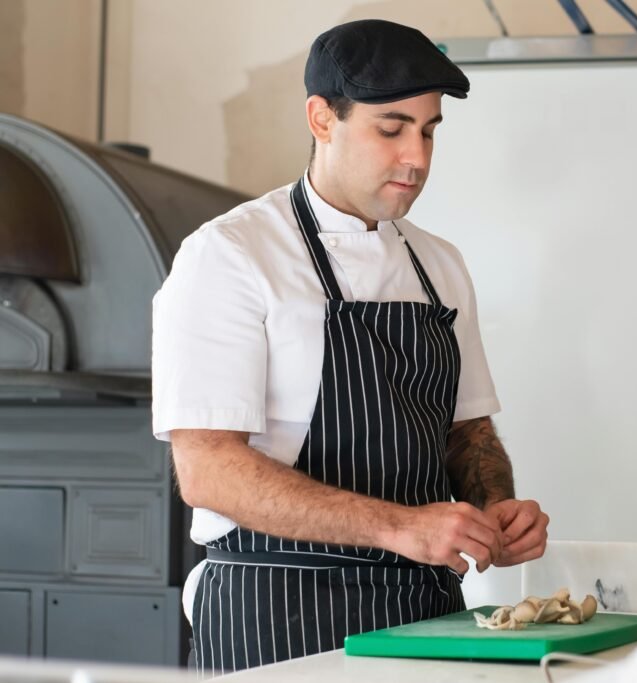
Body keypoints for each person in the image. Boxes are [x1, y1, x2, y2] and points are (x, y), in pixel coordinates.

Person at [151, 19, 549, 675]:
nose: (416, 157)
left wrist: (495, 507)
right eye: (391, 129)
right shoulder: (230, 256)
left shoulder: (439, 265)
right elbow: (208, 470)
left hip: (426, 611)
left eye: (429, 130)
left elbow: (468, 431)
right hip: (278, 613)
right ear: (322, 119)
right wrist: (401, 526)